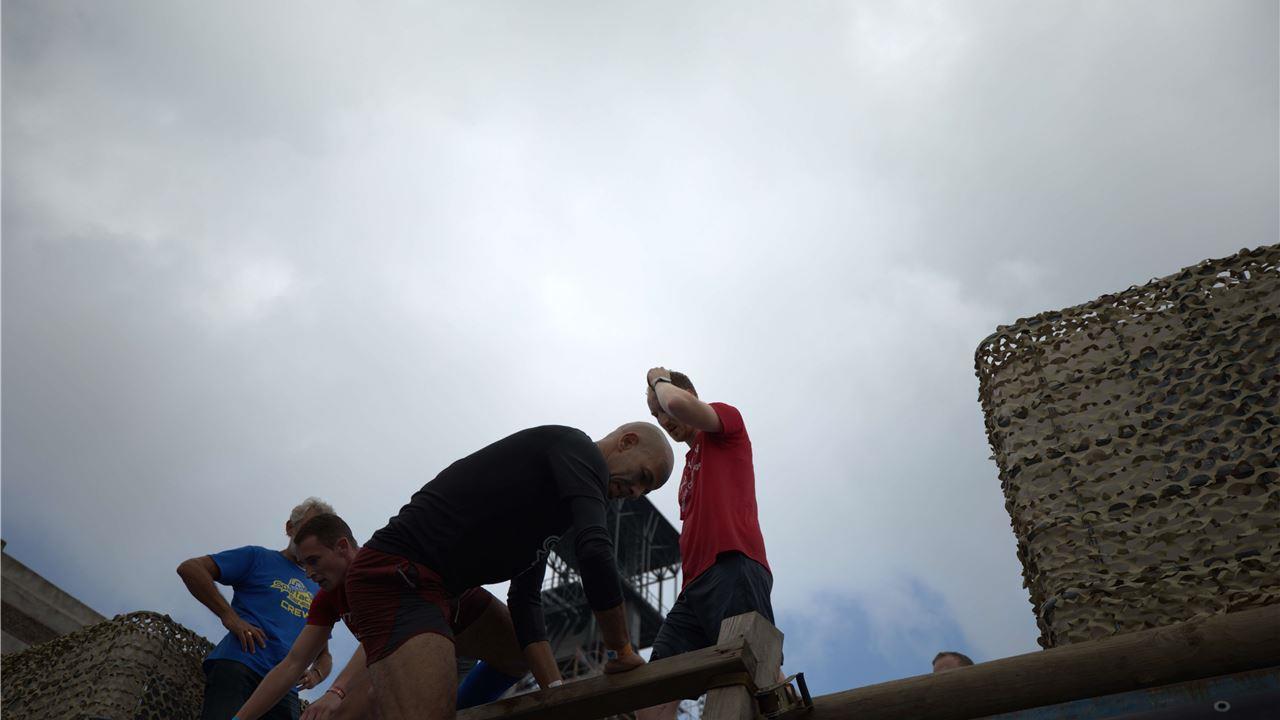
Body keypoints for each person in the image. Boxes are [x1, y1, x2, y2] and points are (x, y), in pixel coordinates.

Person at [349, 422, 674, 719]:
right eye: (644, 477)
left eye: (646, 491)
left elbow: (524, 598)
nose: (636, 493)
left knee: (516, 654)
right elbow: (594, 551)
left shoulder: (555, 506)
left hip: (445, 592)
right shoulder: (577, 448)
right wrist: (621, 651)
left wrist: (556, 691)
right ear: (627, 442)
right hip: (400, 576)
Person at [231, 513, 527, 720]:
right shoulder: (328, 596)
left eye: (314, 561)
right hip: (421, 648)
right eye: (303, 564)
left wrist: (337, 690)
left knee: (520, 656)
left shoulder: (378, 566)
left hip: (465, 621)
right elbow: (294, 662)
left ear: (342, 547)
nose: (308, 573)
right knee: (353, 706)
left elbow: (386, 635)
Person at [638, 368, 775, 720]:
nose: (663, 419)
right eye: (655, 415)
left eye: (662, 409)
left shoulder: (725, 425)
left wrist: (658, 381)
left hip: (731, 564)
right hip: (693, 588)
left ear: (689, 394)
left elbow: (678, 404)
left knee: (756, 674)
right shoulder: (689, 467)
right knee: (652, 692)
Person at [178, 498, 333, 720]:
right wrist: (229, 616)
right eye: (307, 528)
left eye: (319, 534)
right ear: (290, 528)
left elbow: (324, 655)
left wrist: (316, 674)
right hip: (241, 666)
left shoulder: (319, 587)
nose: (311, 538)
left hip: (284, 689)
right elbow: (191, 569)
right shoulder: (258, 557)